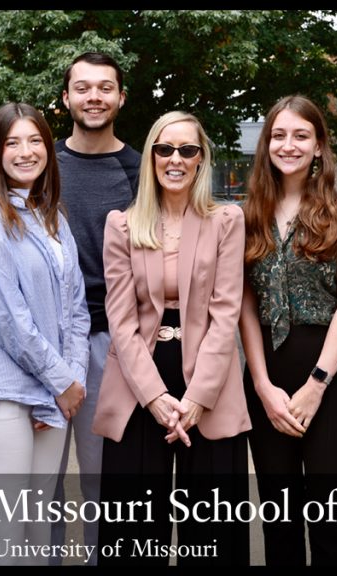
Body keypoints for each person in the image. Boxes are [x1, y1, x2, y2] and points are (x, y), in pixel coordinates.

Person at [93, 111, 250, 565]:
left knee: (214, 529)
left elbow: (227, 312)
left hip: (210, 378)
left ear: (201, 159)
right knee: (133, 530)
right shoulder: (122, 224)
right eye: (164, 149)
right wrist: (156, 397)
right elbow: (120, 321)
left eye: (187, 150)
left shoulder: (227, 221)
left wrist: (198, 397)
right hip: (140, 377)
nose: (175, 159)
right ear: (152, 158)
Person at [0, 102, 89, 565]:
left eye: (35, 141)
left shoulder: (52, 217)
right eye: (13, 142)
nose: (26, 152)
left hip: (51, 391)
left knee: (33, 533)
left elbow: (76, 313)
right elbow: (7, 317)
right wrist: (63, 382)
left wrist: (73, 384)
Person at [240, 94, 337, 565]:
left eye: (301, 135)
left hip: (330, 377)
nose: (289, 145)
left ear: (319, 145)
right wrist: (261, 385)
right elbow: (245, 304)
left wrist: (316, 385)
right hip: (268, 377)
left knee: (328, 518)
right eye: (279, 135)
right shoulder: (247, 213)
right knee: (279, 521)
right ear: (266, 143)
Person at [51, 52, 141, 565]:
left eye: (105, 88)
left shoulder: (139, 168)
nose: (94, 97)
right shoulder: (41, 163)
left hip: (112, 340)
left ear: (120, 98)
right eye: (82, 88)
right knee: (38, 479)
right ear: (66, 98)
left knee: (103, 481)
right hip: (43, 341)